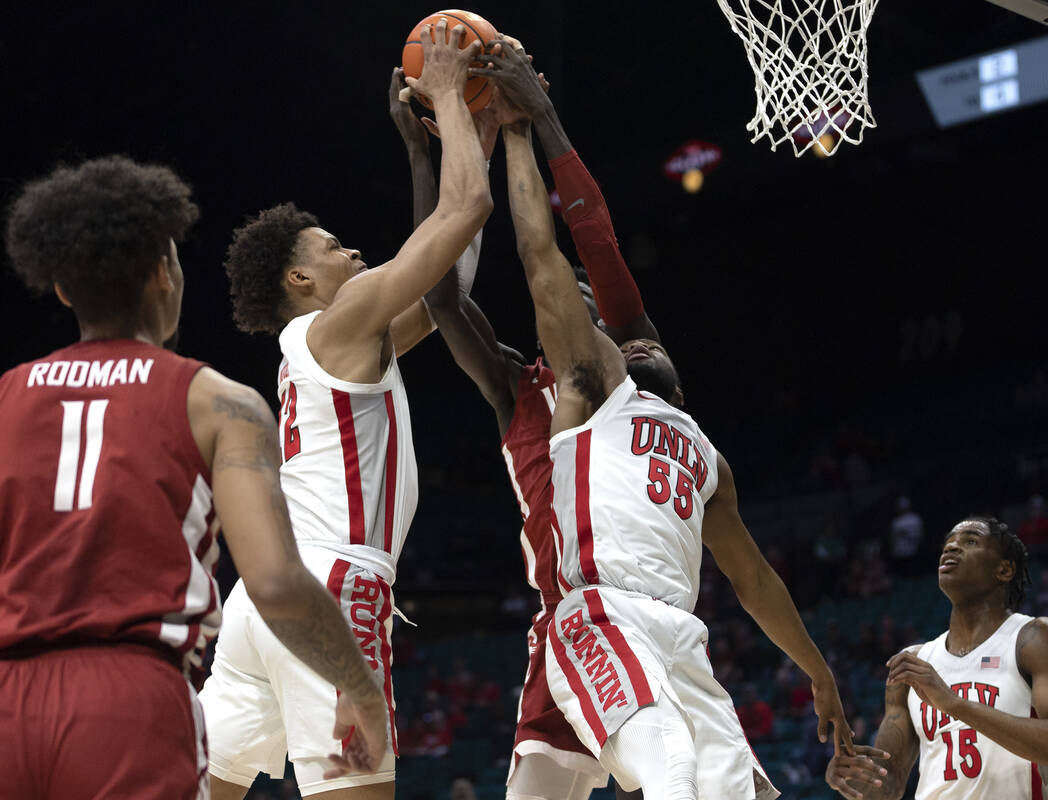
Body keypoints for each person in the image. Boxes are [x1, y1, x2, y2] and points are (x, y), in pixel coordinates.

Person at [479, 40, 853, 800]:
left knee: (741, 792)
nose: (633, 336)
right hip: (601, 613)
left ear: (678, 383)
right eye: (624, 338)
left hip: (682, 639)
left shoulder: (705, 456)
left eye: (645, 337)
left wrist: (817, 669)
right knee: (672, 772)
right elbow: (545, 254)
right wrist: (524, 128)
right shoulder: (594, 386)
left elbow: (751, 577)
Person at [0, 156, 387, 799]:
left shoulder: (7, 397)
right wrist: (359, 689)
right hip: (129, 701)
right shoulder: (217, 401)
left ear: (63, 289)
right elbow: (273, 580)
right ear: (165, 275)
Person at [200, 20, 493, 800]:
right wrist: (449, 97)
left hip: (259, 602)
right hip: (333, 589)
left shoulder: (327, 344)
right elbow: (467, 210)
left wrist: (440, 142)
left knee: (206, 789)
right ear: (299, 279)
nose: (354, 254)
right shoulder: (342, 321)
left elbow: (446, 289)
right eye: (333, 248)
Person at [391, 36, 655, 800]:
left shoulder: (638, 366)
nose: (561, 304)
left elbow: (594, 241)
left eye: (578, 297)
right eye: (551, 297)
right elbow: (440, 299)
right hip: (563, 628)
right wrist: (424, 151)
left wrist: (539, 121)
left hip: (641, 616)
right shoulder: (517, 386)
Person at [825, 516, 1048, 800]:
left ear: (1004, 569)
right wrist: (851, 776)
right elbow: (889, 782)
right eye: (948, 544)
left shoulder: (1035, 639)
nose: (950, 549)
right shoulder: (914, 661)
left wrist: (953, 703)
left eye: (970, 541)